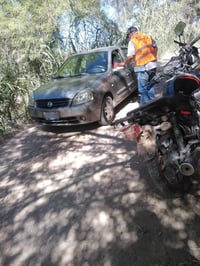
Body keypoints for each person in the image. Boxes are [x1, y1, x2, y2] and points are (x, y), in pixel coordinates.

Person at [120, 26, 158, 105]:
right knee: (150, 87)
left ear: (131, 33)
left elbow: (130, 56)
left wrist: (124, 63)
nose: (129, 37)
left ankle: (145, 110)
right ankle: (154, 106)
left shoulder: (133, 41)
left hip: (143, 67)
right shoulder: (148, 37)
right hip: (153, 66)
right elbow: (156, 47)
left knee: (143, 90)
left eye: (129, 36)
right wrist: (154, 57)